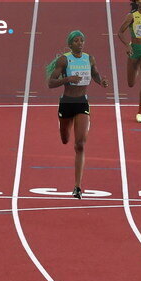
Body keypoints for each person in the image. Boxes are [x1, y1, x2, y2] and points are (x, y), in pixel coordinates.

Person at [46, 30, 109, 199]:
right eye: (76, 41)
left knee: (80, 144)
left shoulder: (89, 58)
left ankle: (77, 187)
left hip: (82, 102)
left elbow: (95, 74)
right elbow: (51, 83)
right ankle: (62, 124)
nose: (80, 43)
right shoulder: (64, 60)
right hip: (66, 103)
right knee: (65, 139)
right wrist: (67, 79)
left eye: (82, 40)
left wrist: (101, 81)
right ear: (70, 44)